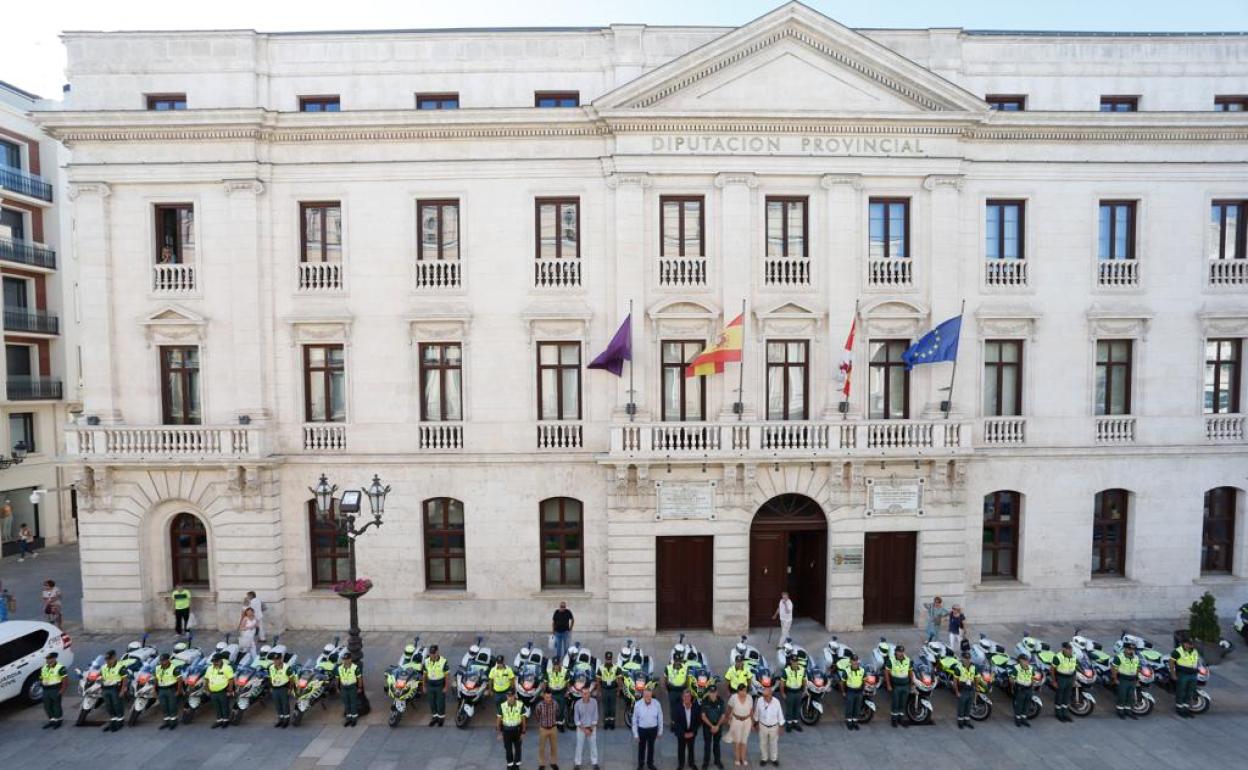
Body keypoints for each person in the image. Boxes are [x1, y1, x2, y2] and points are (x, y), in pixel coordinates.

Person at [632, 687, 663, 770]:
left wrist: (660, 731)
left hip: (653, 729)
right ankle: (640, 764)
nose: (647, 697)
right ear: (643, 695)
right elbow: (634, 720)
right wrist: (635, 734)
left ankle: (650, 764)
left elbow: (660, 718)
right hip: (642, 729)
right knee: (641, 748)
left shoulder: (657, 704)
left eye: (649, 695)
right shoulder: (637, 705)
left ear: (651, 695)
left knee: (651, 747)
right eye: (645, 695)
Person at [752, 685, 784, 768]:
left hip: (774, 726)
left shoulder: (776, 702)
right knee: (763, 743)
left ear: (771, 694)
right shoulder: (759, 700)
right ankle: (764, 758)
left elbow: (780, 714)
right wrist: (755, 724)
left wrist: (781, 727)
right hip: (763, 726)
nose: (764, 697)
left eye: (766, 696)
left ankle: (774, 759)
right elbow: (756, 713)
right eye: (763, 695)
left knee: (774, 743)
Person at [884, 644, 913, 728]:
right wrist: (888, 685)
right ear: (896, 652)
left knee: (903, 703)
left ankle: (901, 719)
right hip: (896, 685)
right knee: (895, 703)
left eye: (902, 651)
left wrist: (912, 683)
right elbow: (886, 672)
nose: (901, 653)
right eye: (899, 651)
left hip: (905, 685)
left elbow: (910, 672)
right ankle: (894, 720)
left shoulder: (907, 660)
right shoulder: (891, 660)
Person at [1169, 637, 1200, 718]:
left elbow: (1196, 661)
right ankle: (1179, 709)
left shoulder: (1195, 651)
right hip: (1183, 674)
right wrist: (1173, 674)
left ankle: (1186, 709)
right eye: (1189, 644)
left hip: (1193, 674)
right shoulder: (1177, 651)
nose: (1190, 646)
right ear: (1184, 643)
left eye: (1192, 644)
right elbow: (1171, 663)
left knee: (1189, 692)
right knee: (1181, 692)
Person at [1051, 641, 1079, 723]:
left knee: (1067, 696)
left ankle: (1065, 713)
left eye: (1070, 649)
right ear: (1063, 649)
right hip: (1061, 678)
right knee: (1059, 695)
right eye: (1067, 649)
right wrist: (1054, 681)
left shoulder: (1074, 656)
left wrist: (1074, 680)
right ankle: (1058, 713)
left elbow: (1075, 668)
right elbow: (1052, 669)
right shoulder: (1058, 657)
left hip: (1070, 678)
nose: (1069, 651)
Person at [100, 649, 128, 732]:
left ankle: (120, 721)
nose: (108, 661)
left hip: (115, 689)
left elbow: (125, 679)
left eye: (110, 659)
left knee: (117, 705)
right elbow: (101, 678)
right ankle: (113, 721)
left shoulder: (120, 667)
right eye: (107, 659)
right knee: (109, 705)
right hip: (105, 689)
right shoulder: (103, 667)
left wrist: (122, 690)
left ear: (114, 658)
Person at [498, 689, 527, 770]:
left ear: (515, 696)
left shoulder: (520, 705)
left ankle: (517, 764)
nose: (510, 698)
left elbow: (523, 719)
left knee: (518, 748)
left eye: (511, 696)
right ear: (506, 696)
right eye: (508, 696)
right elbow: (498, 719)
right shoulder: (502, 705)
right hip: (506, 731)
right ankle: (510, 764)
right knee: (508, 749)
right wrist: (499, 732)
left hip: (517, 730)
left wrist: (523, 732)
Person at [153, 653, 183, 730]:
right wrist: (154, 689)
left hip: (171, 689)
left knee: (172, 706)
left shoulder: (174, 668)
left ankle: (173, 722)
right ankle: (166, 722)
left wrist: (178, 691)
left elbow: (179, 680)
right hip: (161, 690)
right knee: (163, 706)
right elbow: (156, 679)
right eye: (161, 661)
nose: (162, 662)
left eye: (164, 661)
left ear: (168, 660)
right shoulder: (157, 668)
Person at [39, 651, 69, 729]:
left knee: (56, 706)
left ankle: (58, 721)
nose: (47, 660)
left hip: (55, 689)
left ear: (54, 659)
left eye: (49, 659)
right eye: (47, 659)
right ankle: (52, 720)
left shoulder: (60, 667)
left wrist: (62, 690)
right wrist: (41, 682)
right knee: (47, 706)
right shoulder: (44, 667)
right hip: (45, 690)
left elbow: (65, 680)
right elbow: (41, 677)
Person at [574, 682, 600, 770]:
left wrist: (590, 729)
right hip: (581, 728)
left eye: (587, 693)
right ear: (581, 694)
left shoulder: (594, 702)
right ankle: (577, 763)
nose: (586, 695)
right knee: (579, 746)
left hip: (591, 727)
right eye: (584, 693)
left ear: (590, 693)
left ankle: (595, 762)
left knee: (593, 745)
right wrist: (584, 729)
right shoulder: (577, 704)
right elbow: (576, 719)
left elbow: (595, 717)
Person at [1111, 642, 1140, 720]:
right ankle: (1120, 711)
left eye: (1133, 649)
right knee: (1122, 695)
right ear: (1125, 649)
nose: (1131, 651)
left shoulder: (1136, 657)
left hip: (1133, 679)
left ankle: (1128, 711)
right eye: (1129, 649)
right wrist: (1115, 679)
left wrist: (1137, 679)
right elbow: (1114, 668)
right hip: (1123, 679)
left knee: (1130, 696)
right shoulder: (1119, 657)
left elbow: (1137, 668)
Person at [700, 685, 726, 769]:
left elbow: (723, 715)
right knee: (707, 744)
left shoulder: (721, 701)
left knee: (717, 744)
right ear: (708, 693)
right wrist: (712, 726)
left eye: (714, 692)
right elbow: (703, 716)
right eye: (711, 693)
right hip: (708, 726)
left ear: (717, 692)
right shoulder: (704, 701)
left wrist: (717, 726)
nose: (713, 694)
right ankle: (706, 762)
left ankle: (717, 761)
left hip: (718, 725)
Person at [727, 684, 754, 767]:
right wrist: (729, 718)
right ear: (738, 691)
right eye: (741, 691)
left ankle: (743, 758)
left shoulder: (749, 698)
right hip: (736, 721)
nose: (743, 692)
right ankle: (737, 759)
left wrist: (752, 722)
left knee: (744, 741)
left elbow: (751, 710)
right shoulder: (733, 697)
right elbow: (729, 708)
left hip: (747, 721)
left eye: (745, 690)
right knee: (737, 742)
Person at [673, 690, 701, 770]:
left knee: (691, 748)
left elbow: (698, 721)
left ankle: (691, 763)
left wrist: (693, 732)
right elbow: (676, 722)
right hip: (681, 732)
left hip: (691, 732)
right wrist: (683, 733)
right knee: (681, 748)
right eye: (685, 696)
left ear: (691, 697)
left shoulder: (696, 707)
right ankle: (681, 764)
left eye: (688, 696)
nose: (686, 698)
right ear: (682, 697)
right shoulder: (677, 707)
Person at [206, 654, 235, 729]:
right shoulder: (209, 668)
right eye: (213, 661)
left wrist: (230, 690)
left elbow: (231, 679)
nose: (215, 663)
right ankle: (219, 720)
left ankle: (226, 720)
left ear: (221, 660)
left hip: (222, 691)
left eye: (216, 661)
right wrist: (207, 689)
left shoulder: (227, 668)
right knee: (216, 707)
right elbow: (207, 679)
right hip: (213, 692)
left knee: (224, 706)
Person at [533, 689, 560, 770]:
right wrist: (542, 723)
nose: (549, 699)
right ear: (543, 696)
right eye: (547, 697)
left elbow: (557, 713)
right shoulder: (539, 705)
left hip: (553, 728)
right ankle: (542, 764)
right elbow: (537, 715)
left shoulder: (555, 704)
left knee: (554, 747)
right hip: (543, 729)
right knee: (542, 747)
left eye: (550, 697)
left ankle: (553, 763)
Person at [424, 644, 449, 726]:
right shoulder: (426, 661)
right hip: (430, 684)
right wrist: (424, 686)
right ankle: (434, 717)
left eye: (434, 653)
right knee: (431, 702)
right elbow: (424, 674)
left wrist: (446, 686)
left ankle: (441, 718)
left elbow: (446, 675)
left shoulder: (443, 661)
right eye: (431, 653)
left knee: (440, 702)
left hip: (440, 684)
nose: (432, 655)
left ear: (438, 652)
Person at [839, 654, 865, 731]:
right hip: (850, 691)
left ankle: (855, 722)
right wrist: (843, 692)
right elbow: (842, 682)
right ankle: (849, 722)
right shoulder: (847, 671)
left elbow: (864, 681)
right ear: (850, 661)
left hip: (859, 692)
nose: (855, 662)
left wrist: (863, 690)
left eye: (856, 660)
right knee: (850, 708)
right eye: (853, 660)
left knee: (857, 708)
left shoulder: (862, 670)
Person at [664, 651, 690, 728]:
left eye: (679, 661)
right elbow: (665, 679)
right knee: (673, 709)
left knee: (683, 708)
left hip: (682, 691)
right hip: (673, 691)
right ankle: (673, 723)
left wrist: (687, 689)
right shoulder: (668, 668)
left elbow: (688, 679)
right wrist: (666, 689)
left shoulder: (685, 668)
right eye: (676, 660)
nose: (678, 662)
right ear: (674, 660)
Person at [780, 655, 805, 733]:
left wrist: (804, 690)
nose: (795, 663)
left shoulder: (802, 669)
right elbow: (782, 683)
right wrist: (783, 693)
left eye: (796, 661)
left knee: (797, 708)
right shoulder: (786, 671)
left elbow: (804, 680)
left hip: (798, 692)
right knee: (789, 709)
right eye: (793, 661)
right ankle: (789, 724)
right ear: (790, 662)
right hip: (790, 692)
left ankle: (795, 723)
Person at [952, 650, 976, 730]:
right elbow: (955, 681)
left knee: (968, 707)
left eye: (968, 658)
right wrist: (957, 692)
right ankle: (960, 723)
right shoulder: (958, 668)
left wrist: (975, 688)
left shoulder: (973, 666)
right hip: (963, 689)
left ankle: (967, 722)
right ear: (962, 659)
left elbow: (976, 677)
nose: (967, 660)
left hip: (971, 689)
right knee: (961, 707)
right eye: (965, 658)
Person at [269, 651, 294, 728]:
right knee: (277, 705)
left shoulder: (287, 668)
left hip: (283, 688)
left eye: (277, 659)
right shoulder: (271, 667)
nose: (275, 661)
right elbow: (271, 677)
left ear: (281, 659)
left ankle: (286, 720)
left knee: (285, 704)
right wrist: (271, 687)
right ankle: (280, 719)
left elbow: (291, 679)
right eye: (274, 660)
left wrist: (290, 688)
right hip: (275, 689)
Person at [597, 651, 620, 730]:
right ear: (605, 659)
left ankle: (612, 723)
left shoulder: (616, 667)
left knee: (612, 707)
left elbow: (619, 679)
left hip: (613, 689)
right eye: (607, 659)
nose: (608, 661)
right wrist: (599, 691)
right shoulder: (600, 667)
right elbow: (598, 680)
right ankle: (606, 723)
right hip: (604, 689)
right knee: (606, 707)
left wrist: (618, 690)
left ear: (612, 659)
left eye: (610, 659)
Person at [338, 651, 362, 726]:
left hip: (352, 687)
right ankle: (348, 718)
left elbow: (359, 678)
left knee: (353, 703)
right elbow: (337, 678)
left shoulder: (355, 668)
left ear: (350, 659)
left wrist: (359, 687)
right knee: (346, 703)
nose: (346, 661)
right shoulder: (340, 668)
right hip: (343, 688)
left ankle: (354, 719)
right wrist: (337, 687)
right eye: (344, 659)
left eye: (347, 659)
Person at [1011, 653, 1035, 727]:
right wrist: (1013, 687)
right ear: (1020, 661)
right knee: (1019, 705)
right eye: (1024, 660)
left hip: (1029, 689)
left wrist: (1032, 685)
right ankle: (1017, 720)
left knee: (1027, 705)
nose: (1026, 662)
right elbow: (1012, 679)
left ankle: (1024, 719)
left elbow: (1032, 677)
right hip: (1020, 689)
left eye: (1027, 660)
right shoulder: (1016, 668)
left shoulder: (1031, 668)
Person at [546, 658, 569, 732]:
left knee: (561, 709)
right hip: (552, 693)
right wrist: (546, 693)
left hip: (562, 693)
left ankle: (560, 725)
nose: (556, 666)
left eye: (557, 664)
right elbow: (545, 683)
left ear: (560, 663)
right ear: (553, 664)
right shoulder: (548, 671)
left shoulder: (565, 671)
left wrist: (567, 692)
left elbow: (567, 683)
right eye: (554, 664)